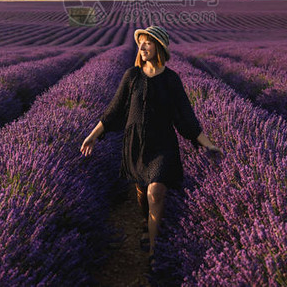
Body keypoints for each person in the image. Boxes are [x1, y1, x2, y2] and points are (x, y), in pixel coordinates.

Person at [80, 25, 221, 257]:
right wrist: (93, 135)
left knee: (155, 191)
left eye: (148, 42)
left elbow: (186, 117)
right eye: (141, 42)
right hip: (135, 143)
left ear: (159, 48)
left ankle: (154, 253)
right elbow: (114, 111)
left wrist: (207, 143)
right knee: (141, 190)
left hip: (163, 144)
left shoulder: (172, 80)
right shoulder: (132, 76)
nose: (142, 46)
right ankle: (146, 222)